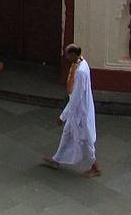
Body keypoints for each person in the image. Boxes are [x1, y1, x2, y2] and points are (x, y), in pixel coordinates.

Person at [41, 43, 101, 177]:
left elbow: (76, 98)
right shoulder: (81, 63)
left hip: (80, 112)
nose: (66, 57)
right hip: (77, 110)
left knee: (86, 139)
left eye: (67, 54)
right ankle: (56, 159)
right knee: (67, 133)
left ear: (74, 54)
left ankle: (95, 167)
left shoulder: (80, 72)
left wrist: (63, 116)